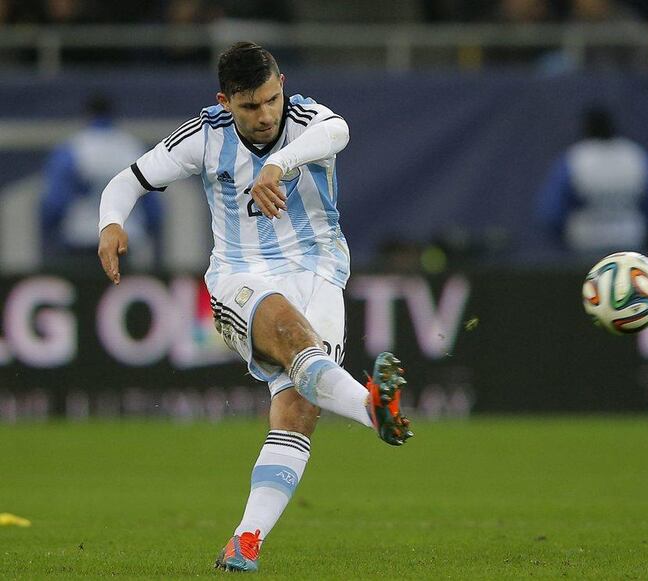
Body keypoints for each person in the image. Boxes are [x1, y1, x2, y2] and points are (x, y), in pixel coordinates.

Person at [96, 41, 413, 572]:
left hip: (319, 270)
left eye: (271, 100)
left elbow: (340, 133)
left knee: (300, 405)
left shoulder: (308, 119)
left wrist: (279, 165)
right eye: (249, 106)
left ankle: (245, 541)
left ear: (282, 84)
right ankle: (373, 409)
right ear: (225, 102)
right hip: (241, 276)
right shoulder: (203, 137)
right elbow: (128, 180)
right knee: (290, 334)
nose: (264, 115)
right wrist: (111, 223)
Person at [41, 94, 161, 271]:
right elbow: (153, 209)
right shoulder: (132, 148)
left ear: (88, 114)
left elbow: (55, 203)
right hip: (124, 240)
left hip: (80, 239)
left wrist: (51, 233)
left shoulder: (73, 149)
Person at [536, 106, 648, 255]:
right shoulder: (636, 156)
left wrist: (562, 235)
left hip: (586, 239)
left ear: (586, 128)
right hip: (630, 237)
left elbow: (552, 212)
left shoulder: (574, 158)